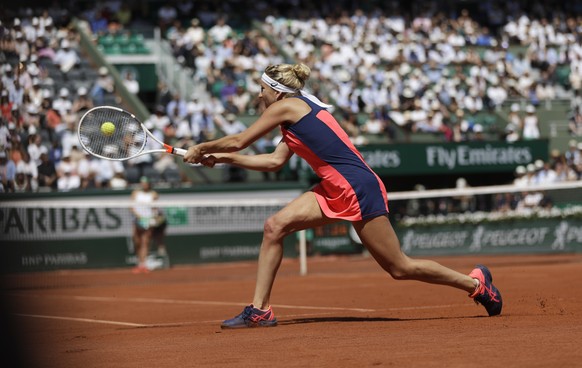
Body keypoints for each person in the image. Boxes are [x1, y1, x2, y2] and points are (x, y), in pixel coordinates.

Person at [183, 63, 502, 329]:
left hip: (357, 188)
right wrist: (221, 159)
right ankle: (260, 310)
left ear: (276, 92)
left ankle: (475, 284)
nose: (258, 94)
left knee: (399, 268)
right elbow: (272, 162)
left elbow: (240, 140)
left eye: (262, 90)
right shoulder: (294, 113)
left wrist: (204, 147)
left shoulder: (286, 106)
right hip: (333, 188)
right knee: (274, 226)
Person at [130, 176, 159, 273]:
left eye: (146, 182)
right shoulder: (135, 193)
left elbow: (155, 208)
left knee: (145, 242)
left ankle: (143, 265)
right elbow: (131, 207)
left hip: (148, 221)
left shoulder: (154, 194)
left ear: (149, 184)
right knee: (137, 242)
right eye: (142, 182)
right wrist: (138, 216)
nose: (144, 184)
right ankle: (140, 262)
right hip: (137, 220)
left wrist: (153, 218)